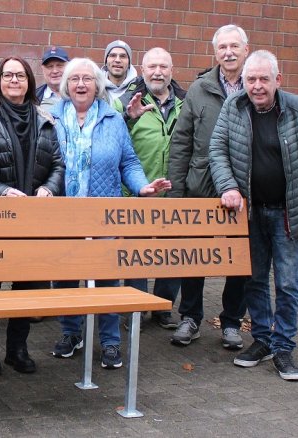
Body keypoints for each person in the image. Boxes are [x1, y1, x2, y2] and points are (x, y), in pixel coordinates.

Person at [209, 50, 298, 381]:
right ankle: (262, 339)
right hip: (250, 214)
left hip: (289, 214)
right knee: (254, 280)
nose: (257, 86)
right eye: (251, 79)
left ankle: (283, 347)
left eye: (264, 79)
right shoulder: (233, 108)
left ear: (278, 79)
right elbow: (217, 150)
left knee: (288, 283)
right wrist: (228, 186)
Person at [48, 58, 171, 367]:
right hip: (63, 213)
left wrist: (142, 187)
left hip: (104, 212)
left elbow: (128, 161)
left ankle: (110, 341)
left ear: (97, 85)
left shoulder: (113, 119)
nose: (80, 84)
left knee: (106, 278)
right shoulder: (51, 118)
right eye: (74, 79)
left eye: (87, 79)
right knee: (65, 276)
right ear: (66, 85)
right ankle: (71, 333)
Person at [0, 56, 65, 376]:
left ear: (29, 81)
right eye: (7, 75)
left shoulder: (45, 119)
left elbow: (58, 164)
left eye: (20, 75)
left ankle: (17, 350)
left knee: (27, 287)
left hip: (33, 220)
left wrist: (49, 188)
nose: (14, 81)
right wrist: (1, 191)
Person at [168, 24, 251, 351]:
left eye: (234, 46)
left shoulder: (256, 85)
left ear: (246, 49)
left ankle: (231, 322)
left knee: (240, 260)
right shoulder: (199, 89)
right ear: (215, 53)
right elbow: (181, 142)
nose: (228, 53)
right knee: (194, 257)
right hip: (200, 187)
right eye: (222, 47)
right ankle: (190, 317)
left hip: (243, 189)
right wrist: (176, 193)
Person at [116, 47, 186, 338]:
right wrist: (129, 117)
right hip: (138, 191)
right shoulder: (126, 101)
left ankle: (163, 306)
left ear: (171, 70)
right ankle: (137, 306)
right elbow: (115, 138)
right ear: (142, 70)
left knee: (173, 252)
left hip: (174, 191)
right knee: (137, 252)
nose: (158, 72)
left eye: (163, 67)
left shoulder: (185, 103)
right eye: (152, 67)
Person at [35, 46, 69, 112]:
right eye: (50, 66)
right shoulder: (33, 98)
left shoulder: (78, 94)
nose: (55, 71)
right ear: (43, 69)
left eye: (59, 65)